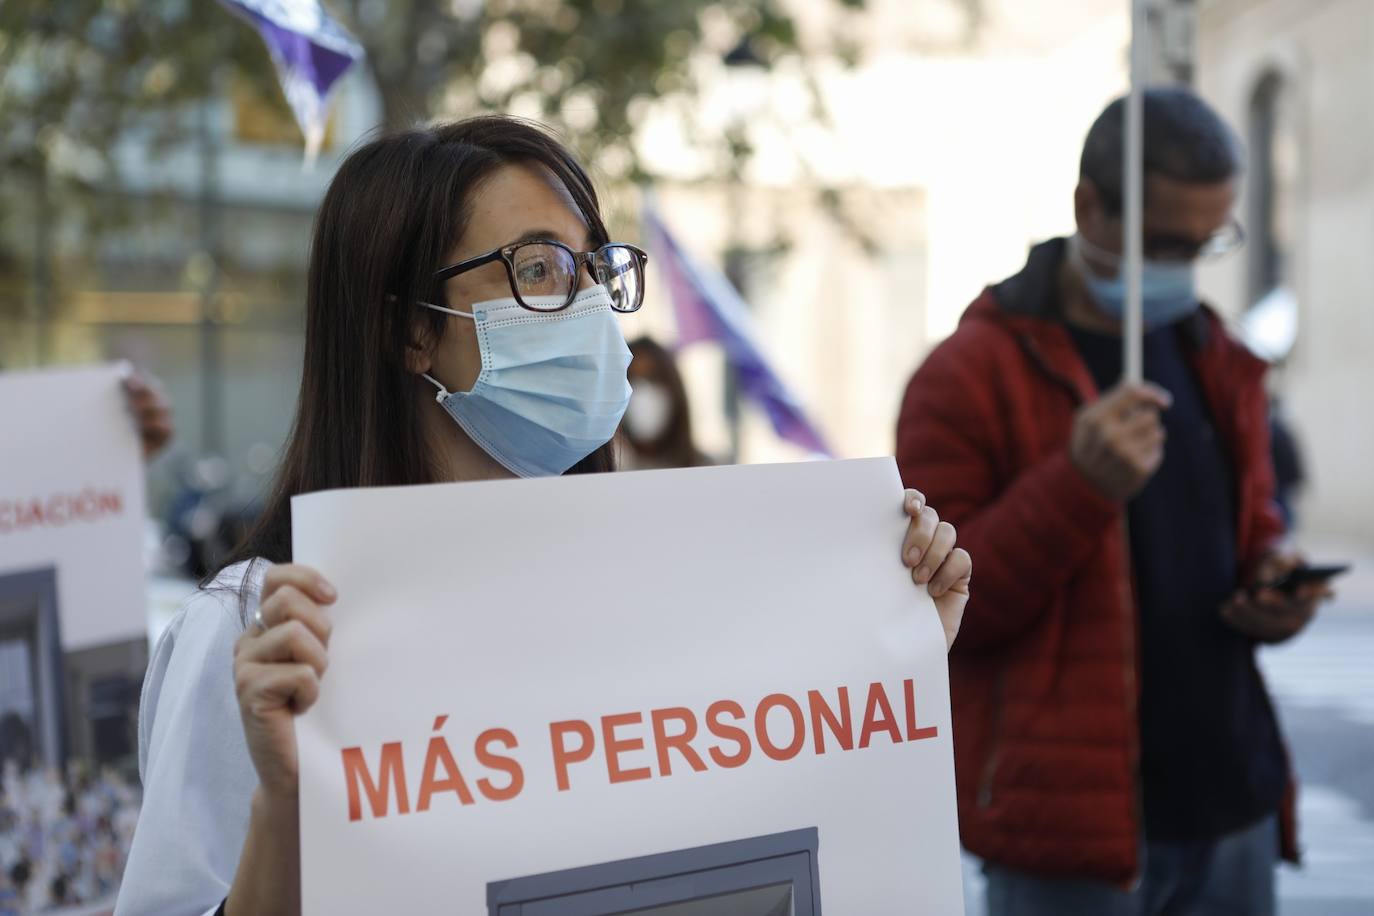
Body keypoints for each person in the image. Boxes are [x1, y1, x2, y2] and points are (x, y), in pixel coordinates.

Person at [114, 116, 973, 916]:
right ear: (412, 330)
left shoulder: (642, 598)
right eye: (537, 270)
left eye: (595, 270)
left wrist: (886, 657)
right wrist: (288, 807)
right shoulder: (259, 633)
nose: (590, 306)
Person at [895, 87, 1333, 916]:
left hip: (1231, 801)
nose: (1185, 267)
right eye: (1168, 242)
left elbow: (1250, 521)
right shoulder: (969, 373)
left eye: (1208, 242)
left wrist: (1275, 579)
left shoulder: (1215, 351)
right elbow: (943, 611)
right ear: (1089, 207)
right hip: (1069, 833)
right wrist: (1079, 483)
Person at [618, 335, 712, 470]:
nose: (643, 391)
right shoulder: (607, 470)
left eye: (652, 379)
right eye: (632, 380)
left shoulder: (708, 469)